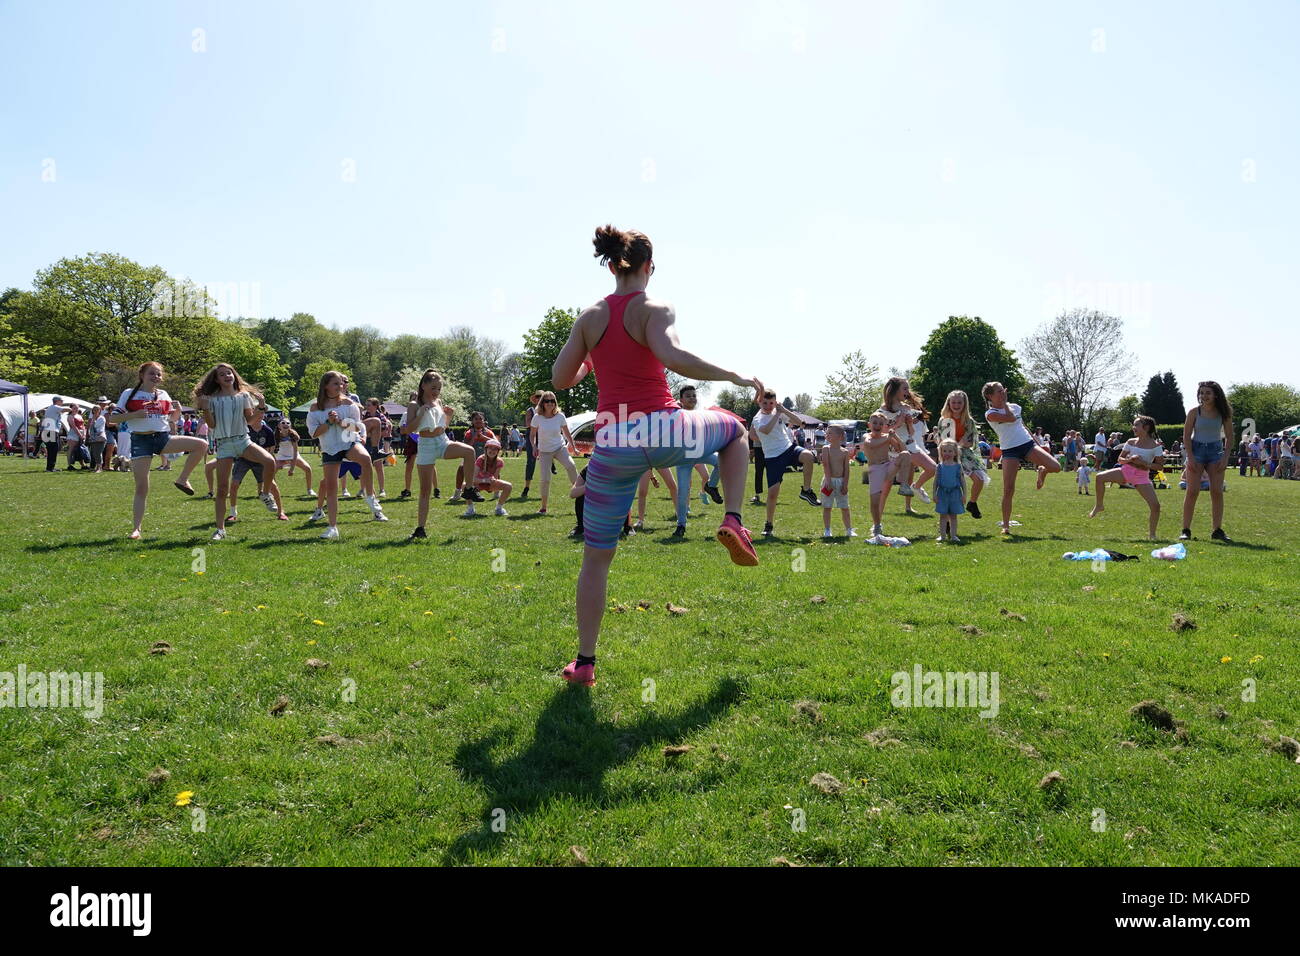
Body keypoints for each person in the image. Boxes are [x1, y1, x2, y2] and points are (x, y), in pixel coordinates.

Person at [550, 224, 762, 687]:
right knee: (735, 431)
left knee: (595, 559)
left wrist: (590, 354)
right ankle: (731, 518)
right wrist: (735, 375)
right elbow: (674, 356)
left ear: (610, 265)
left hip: (612, 443)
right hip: (667, 432)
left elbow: (561, 378)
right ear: (650, 267)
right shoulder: (655, 306)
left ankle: (584, 663)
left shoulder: (588, 317)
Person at [109, 362, 208, 539]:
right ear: (142, 375)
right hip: (141, 439)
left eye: (159, 374)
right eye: (152, 374)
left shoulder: (163, 394)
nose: (156, 377)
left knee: (201, 445)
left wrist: (176, 412)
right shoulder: (129, 393)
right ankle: (136, 529)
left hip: (163, 438)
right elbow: (113, 418)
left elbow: (171, 419)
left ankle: (183, 479)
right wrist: (134, 414)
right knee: (142, 487)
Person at [194, 363, 282, 540]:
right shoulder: (210, 399)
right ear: (216, 379)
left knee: (270, 461)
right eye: (222, 374)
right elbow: (211, 425)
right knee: (222, 489)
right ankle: (220, 529)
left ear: (234, 375)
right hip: (224, 444)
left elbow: (250, 420)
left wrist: (262, 406)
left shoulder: (243, 396)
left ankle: (264, 494)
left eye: (229, 373)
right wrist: (204, 408)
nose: (227, 376)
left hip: (243, 440)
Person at [306, 370, 388, 540]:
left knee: (365, 459)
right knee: (331, 487)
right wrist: (329, 422)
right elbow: (314, 433)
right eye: (336, 383)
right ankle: (332, 527)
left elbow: (357, 428)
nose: (341, 386)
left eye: (341, 383)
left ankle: (371, 498)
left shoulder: (349, 404)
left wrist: (341, 422)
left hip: (348, 442)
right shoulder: (315, 408)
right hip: (329, 448)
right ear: (326, 386)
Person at [407, 369, 482, 538]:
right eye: (433, 388)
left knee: (469, 452)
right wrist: (421, 413)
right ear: (423, 385)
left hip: (442, 441)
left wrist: (449, 416)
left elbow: (443, 427)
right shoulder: (414, 404)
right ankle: (420, 529)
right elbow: (409, 429)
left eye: (439, 389)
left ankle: (469, 489)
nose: (436, 392)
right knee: (425, 491)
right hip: (425, 445)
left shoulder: (439, 402)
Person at [981, 381, 1061, 535]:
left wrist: (1039, 444)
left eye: (1002, 389)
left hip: (1027, 445)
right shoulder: (990, 414)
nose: (1003, 392)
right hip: (1009, 450)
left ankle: (1042, 471)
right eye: (999, 391)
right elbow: (1010, 419)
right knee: (1008, 489)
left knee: (1056, 467)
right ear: (989, 396)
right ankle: (1006, 526)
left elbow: (1022, 426)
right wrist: (1004, 403)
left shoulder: (1016, 407)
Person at [752, 389, 819, 537]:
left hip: (788, 448)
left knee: (808, 456)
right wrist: (777, 414)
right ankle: (768, 524)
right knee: (773, 494)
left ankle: (806, 491)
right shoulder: (758, 418)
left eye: (771, 403)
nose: (769, 406)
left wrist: (784, 410)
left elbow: (799, 423)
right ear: (760, 402)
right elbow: (765, 430)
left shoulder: (779, 411)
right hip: (773, 457)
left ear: (775, 402)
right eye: (765, 403)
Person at [1088, 415, 1164, 540]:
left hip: (1142, 477)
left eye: (1136, 425)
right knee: (1099, 477)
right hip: (1125, 472)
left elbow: (1160, 466)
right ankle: (1099, 505)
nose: (1133, 427)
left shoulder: (1155, 446)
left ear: (1146, 427)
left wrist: (1144, 463)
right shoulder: (1130, 442)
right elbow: (1120, 459)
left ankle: (1152, 535)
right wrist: (1130, 459)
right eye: (1133, 425)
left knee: (1155, 506)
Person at [1179, 381, 1233, 542]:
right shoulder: (1194, 412)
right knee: (1192, 491)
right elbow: (1186, 436)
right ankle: (1186, 530)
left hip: (1216, 452)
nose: (1204, 396)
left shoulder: (1223, 413)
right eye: (1201, 392)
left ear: (1216, 394)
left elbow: (1230, 437)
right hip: (1196, 451)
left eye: (1207, 392)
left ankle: (1217, 530)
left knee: (1216, 492)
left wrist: (1225, 458)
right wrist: (1190, 457)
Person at [670, 384, 723, 537]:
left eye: (694, 395)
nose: (692, 398)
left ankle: (711, 486)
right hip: (683, 459)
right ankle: (681, 524)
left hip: (701, 453)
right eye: (688, 396)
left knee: (721, 463)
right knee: (683, 492)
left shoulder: (701, 415)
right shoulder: (677, 414)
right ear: (681, 399)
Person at [878, 378, 935, 506]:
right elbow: (883, 431)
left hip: (909, 445)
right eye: (905, 388)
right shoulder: (883, 410)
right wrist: (898, 423)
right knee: (886, 486)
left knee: (932, 468)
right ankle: (877, 519)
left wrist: (909, 424)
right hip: (894, 448)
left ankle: (916, 488)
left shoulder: (906, 407)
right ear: (895, 390)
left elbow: (911, 432)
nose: (907, 392)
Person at [226, 417, 289, 526]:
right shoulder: (244, 429)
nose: (258, 416)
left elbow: (270, 450)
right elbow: (238, 447)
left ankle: (281, 512)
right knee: (234, 485)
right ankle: (233, 513)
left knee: (273, 486)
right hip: (243, 460)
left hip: (261, 462)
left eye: (261, 413)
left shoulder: (267, 431)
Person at [937, 390, 987, 520]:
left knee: (979, 479)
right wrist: (959, 444)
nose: (956, 405)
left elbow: (970, 442)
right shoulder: (945, 420)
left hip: (965, 454)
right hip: (949, 456)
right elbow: (944, 443)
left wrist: (964, 444)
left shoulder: (968, 421)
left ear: (964, 404)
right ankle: (946, 522)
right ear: (949, 403)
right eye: (953, 402)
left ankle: (972, 503)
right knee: (951, 488)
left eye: (959, 402)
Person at [529, 391, 580, 515]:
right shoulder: (537, 417)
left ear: (555, 403)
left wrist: (573, 447)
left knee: (571, 466)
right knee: (545, 479)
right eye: (547, 401)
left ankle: (580, 493)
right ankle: (543, 507)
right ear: (542, 403)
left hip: (559, 448)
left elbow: (567, 433)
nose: (550, 403)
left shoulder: (560, 416)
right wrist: (534, 447)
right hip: (545, 451)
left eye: (552, 401)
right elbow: (532, 435)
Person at [860, 412, 908, 542]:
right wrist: (888, 438)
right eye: (875, 423)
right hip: (875, 470)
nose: (877, 425)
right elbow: (870, 444)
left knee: (906, 454)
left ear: (884, 426)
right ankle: (877, 525)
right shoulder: (867, 436)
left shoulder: (887, 436)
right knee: (875, 503)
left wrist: (896, 436)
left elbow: (902, 448)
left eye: (881, 424)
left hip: (887, 466)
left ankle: (903, 485)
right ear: (869, 424)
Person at [818, 424, 855, 538]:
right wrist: (828, 481)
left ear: (839, 436)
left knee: (844, 507)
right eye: (827, 433)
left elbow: (846, 470)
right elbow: (826, 465)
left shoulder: (844, 452)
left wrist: (845, 484)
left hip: (841, 482)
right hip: (828, 481)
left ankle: (849, 529)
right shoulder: (826, 449)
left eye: (830, 433)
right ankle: (827, 530)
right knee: (827, 507)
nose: (827, 435)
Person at [933, 439, 966, 544]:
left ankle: (953, 536)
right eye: (945, 451)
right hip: (942, 494)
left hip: (955, 494)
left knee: (953, 516)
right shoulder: (939, 466)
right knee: (943, 516)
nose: (947, 453)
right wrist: (934, 494)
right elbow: (935, 482)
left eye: (950, 451)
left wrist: (964, 494)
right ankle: (942, 536)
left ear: (955, 452)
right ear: (941, 452)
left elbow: (962, 481)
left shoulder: (958, 466)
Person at [273, 418, 314, 495]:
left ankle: (309, 490)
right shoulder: (276, 435)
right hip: (281, 457)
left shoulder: (293, 436)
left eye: (288, 423)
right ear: (279, 425)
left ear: (290, 425)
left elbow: (295, 453)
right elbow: (272, 450)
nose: (286, 424)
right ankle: (273, 490)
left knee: (308, 469)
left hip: (294, 457)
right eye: (283, 423)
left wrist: (292, 469)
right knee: (271, 471)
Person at [472, 439, 512, 516]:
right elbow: (474, 478)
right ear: (486, 449)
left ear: (498, 451)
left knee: (508, 486)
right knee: (465, 486)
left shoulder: (499, 461)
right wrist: (485, 480)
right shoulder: (480, 459)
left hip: (490, 484)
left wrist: (493, 480)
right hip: (478, 483)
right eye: (490, 448)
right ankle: (470, 509)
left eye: (495, 449)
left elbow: (496, 477)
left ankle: (499, 508)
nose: (492, 451)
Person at [519, 390, 543, 499]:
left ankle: (544, 488)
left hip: (544, 435)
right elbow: (527, 424)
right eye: (537, 397)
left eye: (541, 397)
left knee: (546, 459)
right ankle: (526, 487)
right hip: (532, 435)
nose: (539, 399)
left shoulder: (548, 410)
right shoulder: (531, 410)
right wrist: (537, 418)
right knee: (531, 461)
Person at [64, 404, 86, 470]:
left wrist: (84, 434)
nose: (76, 409)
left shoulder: (79, 415)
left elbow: (83, 425)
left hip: (81, 433)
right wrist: (80, 435)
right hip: (73, 434)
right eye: (74, 408)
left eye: (77, 408)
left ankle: (83, 465)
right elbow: (74, 427)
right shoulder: (70, 416)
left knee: (80, 449)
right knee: (71, 449)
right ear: (71, 408)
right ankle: (69, 465)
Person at [86, 405, 107, 472]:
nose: (95, 411)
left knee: (98, 453)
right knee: (94, 453)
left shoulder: (102, 418)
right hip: (93, 438)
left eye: (97, 409)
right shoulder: (92, 418)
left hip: (100, 437)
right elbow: (90, 428)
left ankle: (99, 468)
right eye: (94, 410)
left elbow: (95, 426)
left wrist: (93, 420)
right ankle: (97, 467)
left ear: (100, 411)